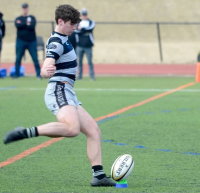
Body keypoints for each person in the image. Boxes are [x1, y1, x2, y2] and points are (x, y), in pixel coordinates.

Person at [3, 4, 116, 187]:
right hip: (59, 90)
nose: (75, 27)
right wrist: (44, 71)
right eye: (72, 24)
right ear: (60, 21)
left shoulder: (64, 38)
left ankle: (99, 175)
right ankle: (24, 132)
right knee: (72, 129)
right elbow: (47, 63)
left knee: (94, 131)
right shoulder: (56, 41)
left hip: (68, 91)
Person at [13, 3, 41, 79]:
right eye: (23, 8)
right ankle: (16, 74)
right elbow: (18, 26)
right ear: (21, 9)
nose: (24, 9)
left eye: (26, 8)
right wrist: (26, 24)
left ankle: (39, 74)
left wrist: (24, 25)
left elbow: (32, 26)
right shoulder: (18, 18)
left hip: (31, 41)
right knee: (18, 58)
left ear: (28, 8)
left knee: (35, 58)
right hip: (20, 41)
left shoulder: (32, 18)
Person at [75, 8, 95, 80]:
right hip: (79, 45)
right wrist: (84, 30)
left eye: (85, 14)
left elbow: (90, 29)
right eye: (83, 14)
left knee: (90, 61)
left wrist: (82, 29)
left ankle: (92, 76)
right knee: (79, 62)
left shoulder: (90, 22)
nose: (84, 16)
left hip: (88, 45)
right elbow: (76, 31)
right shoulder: (78, 23)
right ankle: (80, 76)